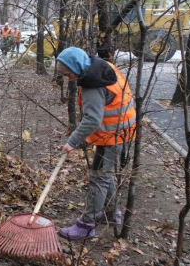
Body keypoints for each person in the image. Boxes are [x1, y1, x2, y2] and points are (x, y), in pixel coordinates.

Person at [56, 47, 136, 241]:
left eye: (68, 74)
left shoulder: (92, 86)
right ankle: (111, 212)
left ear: (77, 66)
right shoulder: (102, 66)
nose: (69, 78)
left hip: (111, 136)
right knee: (106, 174)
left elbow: (92, 119)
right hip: (124, 129)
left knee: (98, 177)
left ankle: (86, 225)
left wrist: (72, 141)